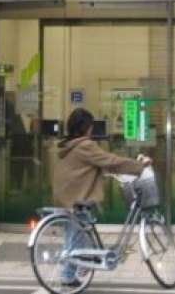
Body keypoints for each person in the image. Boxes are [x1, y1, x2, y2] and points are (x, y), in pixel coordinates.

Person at [53, 108, 150, 287]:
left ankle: (77, 269)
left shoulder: (70, 145)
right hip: (77, 198)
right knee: (77, 238)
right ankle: (71, 273)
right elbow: (109, 161)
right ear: (86, 127)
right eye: (90, 126)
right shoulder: (85, 145)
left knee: (74, 236)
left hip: (65, 197)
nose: (92, 130)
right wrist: (138, 165)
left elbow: (87, 167)